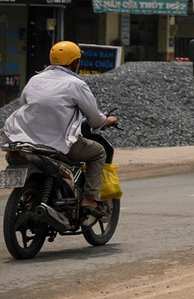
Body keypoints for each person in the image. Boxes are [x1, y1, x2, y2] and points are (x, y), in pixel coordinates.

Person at [2, 41, 117, 223]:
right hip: (58, 143)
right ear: (75, 62)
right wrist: (107, 120)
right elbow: (95, 119)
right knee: (98, 152)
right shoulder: (76, 84)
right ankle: (90, 199)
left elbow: (24, 106)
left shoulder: (35, 80)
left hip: (24, 139)